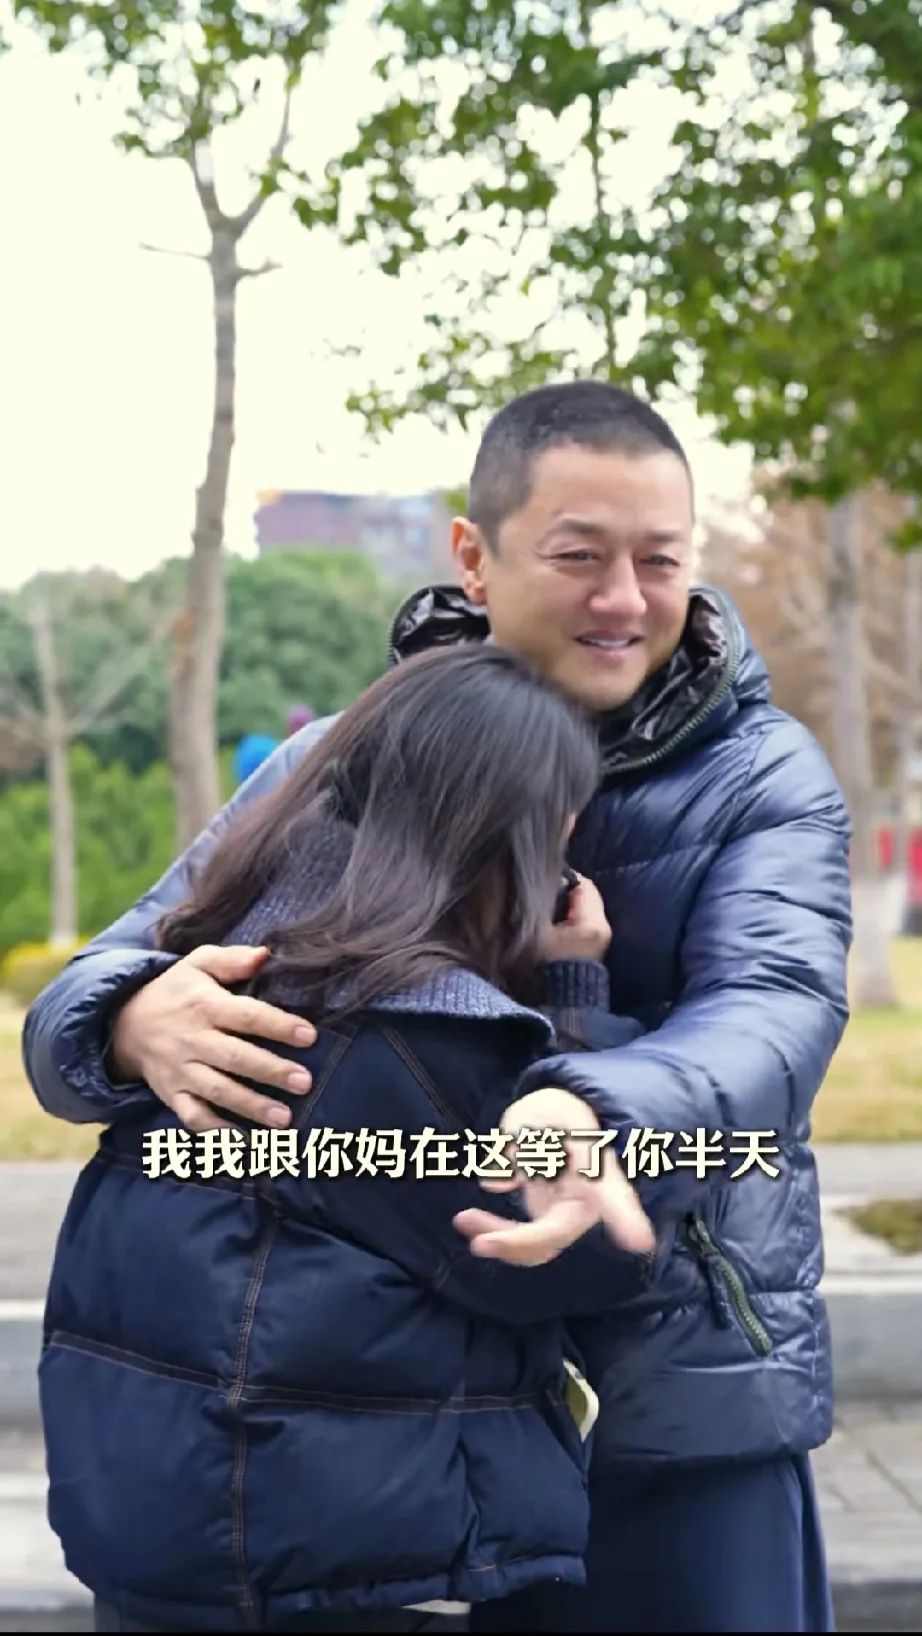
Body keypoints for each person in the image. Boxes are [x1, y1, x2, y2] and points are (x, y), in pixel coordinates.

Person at [25, 382, 853, 1633]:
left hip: (677, 1373)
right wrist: (129, 1017)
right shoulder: (347, 749)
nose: (624, 598)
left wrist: (587, 1103)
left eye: (659, 560)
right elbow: (109, 969)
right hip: (407, 1422)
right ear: (474, 554)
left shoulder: (759, 774)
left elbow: (772, 1010)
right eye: (578, 556)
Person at [40, 645, 655, 1635]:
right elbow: (568, 1257)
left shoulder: (195, 985)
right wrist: (576, 999)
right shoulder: (425, 1043)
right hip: (343, 1566)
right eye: (561, 818)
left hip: (164, 1536)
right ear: (506, 836)